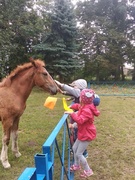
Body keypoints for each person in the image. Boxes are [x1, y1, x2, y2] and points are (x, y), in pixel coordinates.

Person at [65, 89, 100, 178]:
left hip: (87, 134)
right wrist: (71, 107)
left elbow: (80, 120)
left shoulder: (87, 111)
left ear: (83, 99)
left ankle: (88, 170)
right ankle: (76, 165)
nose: (79, 98)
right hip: (83, 132)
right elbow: (78, 106)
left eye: (80, 97)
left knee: (79, 154)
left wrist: (72, 114)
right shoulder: (85, 106)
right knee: (74, 147)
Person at [55, 79, 89, 157]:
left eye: (75, 86)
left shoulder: (79, 92)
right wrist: (63, 92)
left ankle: (82, 152)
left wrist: (61, 84)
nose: (74, 87)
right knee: (74, 132)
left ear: (80, 86)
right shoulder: (80, 92)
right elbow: (71, 93)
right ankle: (73, 148)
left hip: (78, 116)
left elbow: (71, 90)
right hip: (76, 114)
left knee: (78, 133)